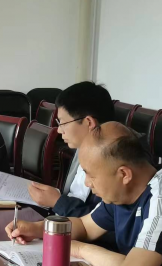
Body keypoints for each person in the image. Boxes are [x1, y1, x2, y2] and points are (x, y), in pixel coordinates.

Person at [7, 122, 162, 266]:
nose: (87, 183)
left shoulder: (158, 197)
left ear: (124, 174)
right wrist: (38, 229)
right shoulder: (122, 193)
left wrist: (80, 249)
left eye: (91, 175)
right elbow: (85, 226)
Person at [28, 82, 114, 217]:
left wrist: (57, 202)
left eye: (63, 123)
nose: (59, 130)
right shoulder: (83, 146)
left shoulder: (114, 160)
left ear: (89, 123)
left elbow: (103, 221)